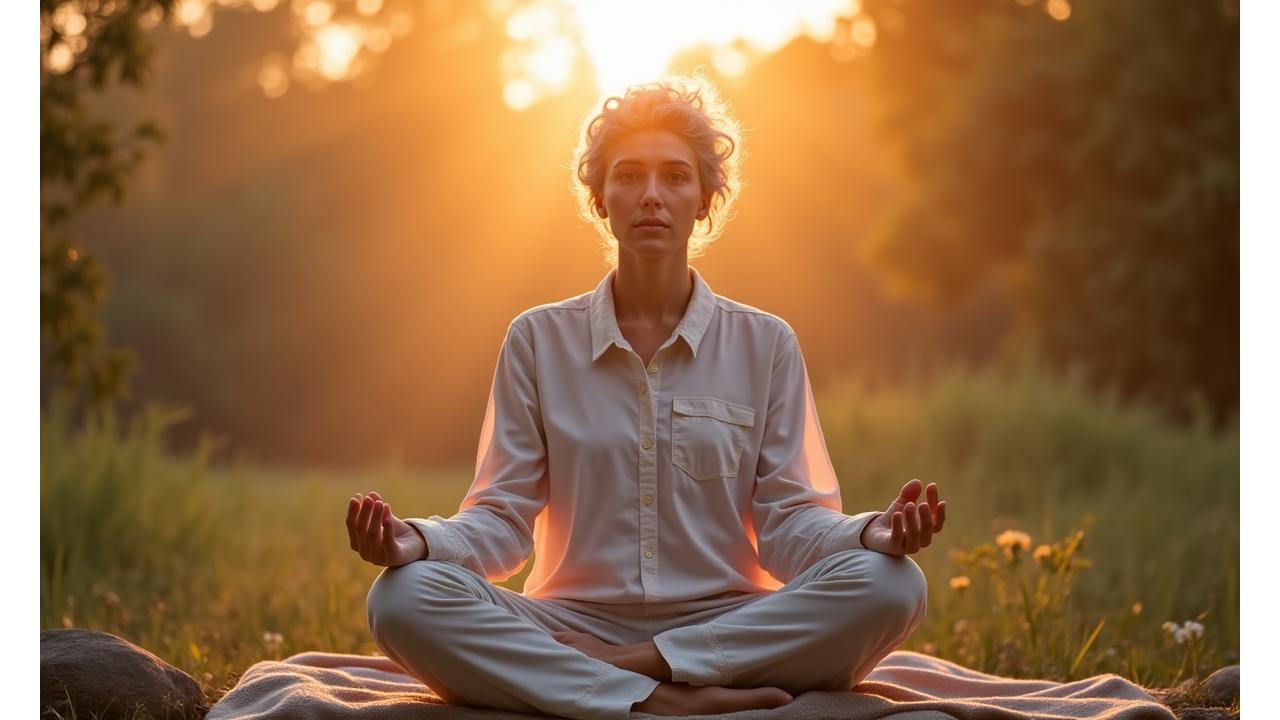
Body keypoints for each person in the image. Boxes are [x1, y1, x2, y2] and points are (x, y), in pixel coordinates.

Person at [346, 75, 948, 720]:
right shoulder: (537, 339)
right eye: (628, 176)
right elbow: (502, 516)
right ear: (600, 199)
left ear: (705, 199)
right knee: (401, 598)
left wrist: (869, 533)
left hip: (728, 619)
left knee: (891, 584)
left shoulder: (765, 342)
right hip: (570, 620)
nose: (651, 196)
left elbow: (788, 524)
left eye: (675, 177)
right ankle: (664, 701)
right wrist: (418, 542)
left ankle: (628, 673)